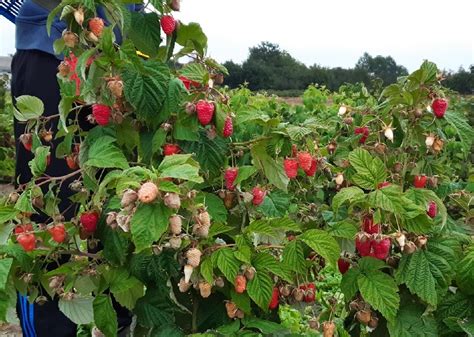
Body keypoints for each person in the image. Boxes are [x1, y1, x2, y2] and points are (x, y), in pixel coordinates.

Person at [11, 1, 142, 336]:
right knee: (48, 204)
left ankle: (115, 320)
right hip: (51, 52)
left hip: (116, 62)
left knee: (120, 198)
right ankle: (51, 325)